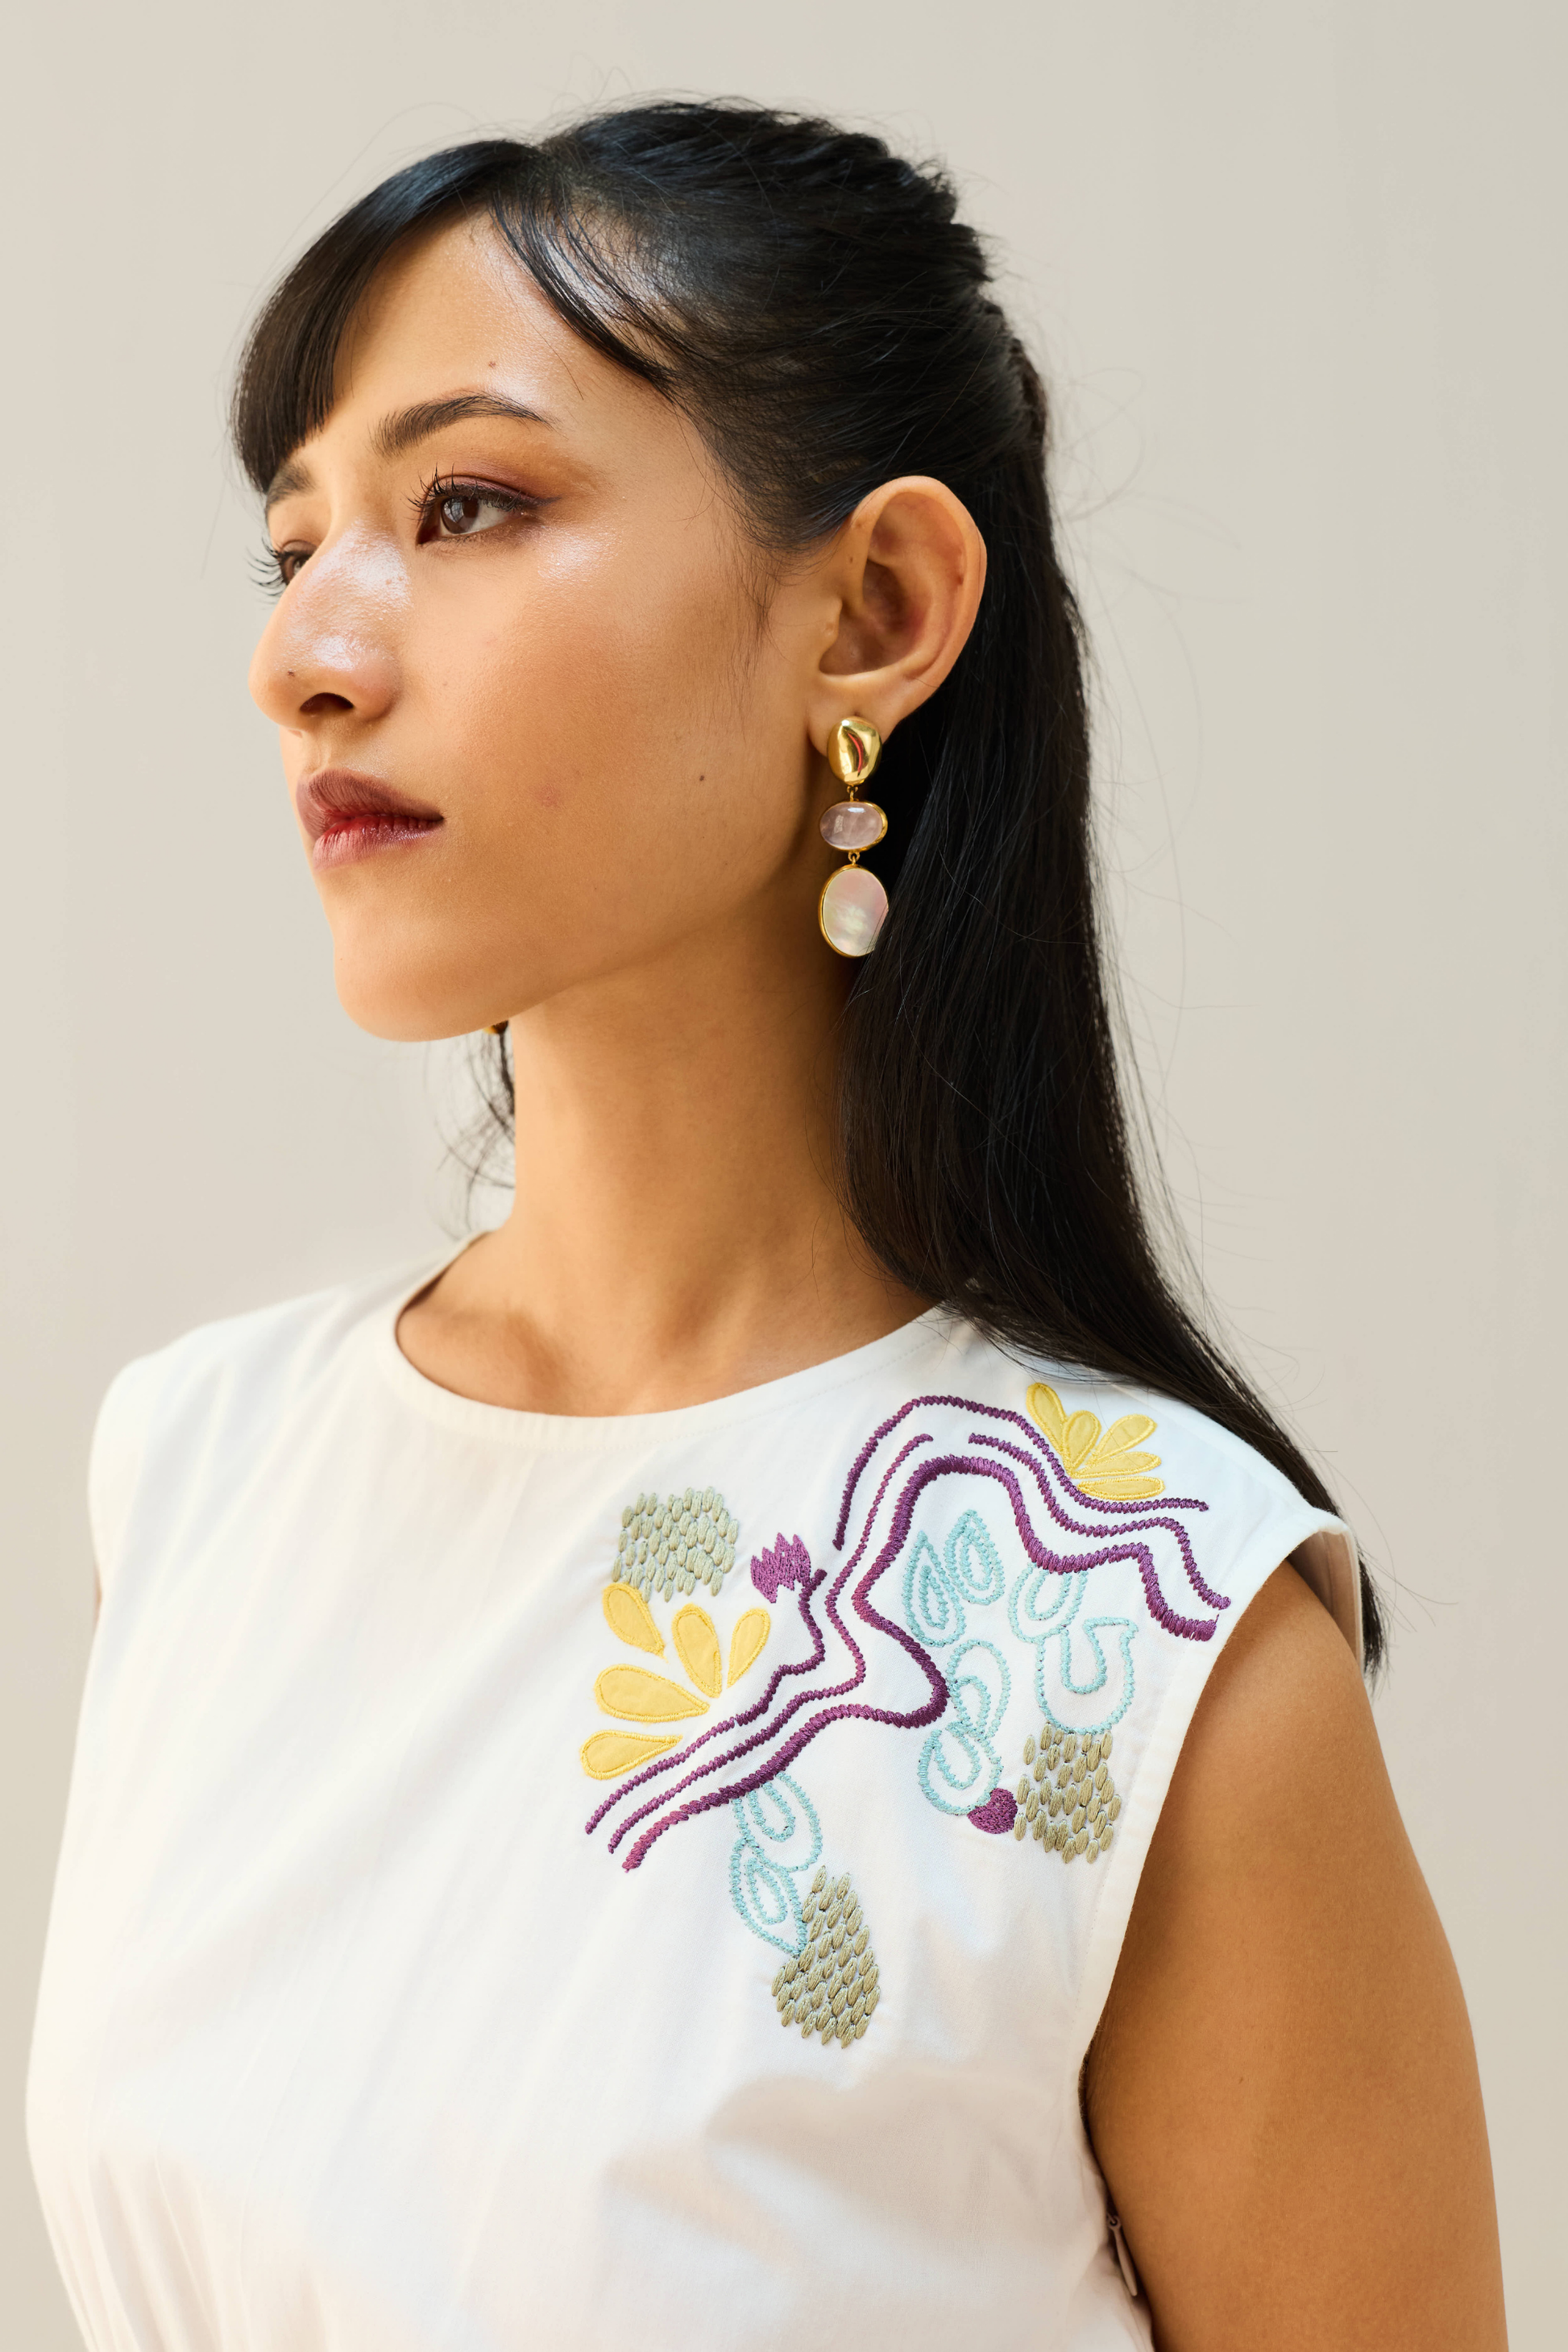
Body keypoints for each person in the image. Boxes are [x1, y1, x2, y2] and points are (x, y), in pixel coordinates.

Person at [28, 102, 1506, 2352]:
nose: (306, 650)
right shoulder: (199, 1472)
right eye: (295, 542)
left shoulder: (1141, 1644)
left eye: (467, 505)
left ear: (879, 610)